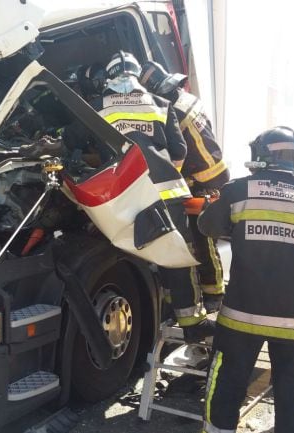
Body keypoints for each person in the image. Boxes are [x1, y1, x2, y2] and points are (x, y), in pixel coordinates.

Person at [198, 126, 294, 433]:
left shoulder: (240, 189)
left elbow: (207, 226)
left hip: (242, 315)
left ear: (263, 154)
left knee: (227, 385)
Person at [80, 51, 214, 342]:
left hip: (123, 196)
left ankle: (148, 314)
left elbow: (75, 146)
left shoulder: (95, 107)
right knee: (176, 255)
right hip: (167, 192)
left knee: (129, 252)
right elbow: (179, 152)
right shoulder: (162, 104)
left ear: (109, 76)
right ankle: (191, 324)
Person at [139, 61, 229, 312]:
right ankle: (214, 292)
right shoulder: (188, 99)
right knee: (205, 237)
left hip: (200, 179)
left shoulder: (170, 112)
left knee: (200, 239)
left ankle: (213, 294)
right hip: (216, 172)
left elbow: (177, 151)